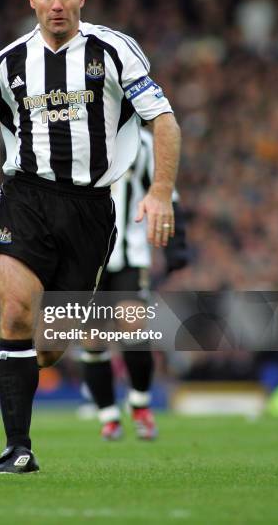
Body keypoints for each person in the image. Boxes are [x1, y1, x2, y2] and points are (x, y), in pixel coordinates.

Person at [0, 0, 181, 474]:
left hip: (91, 210)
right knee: (18, 313)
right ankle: (17, 448)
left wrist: (160, 191)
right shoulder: (8, 62)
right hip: (26, 197)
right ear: (32, 0)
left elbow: (164, 120)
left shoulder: (113, 51)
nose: (57, 4)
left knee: (46, 350)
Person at [81, 128, 189, 441]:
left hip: (130, 255)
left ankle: (140, 405)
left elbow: (167, 195)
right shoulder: (78, 136)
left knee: (133, 323)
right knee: (93, 338)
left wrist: (175, 245)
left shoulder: (142, 143)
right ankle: (108, 416)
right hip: (87, 260)